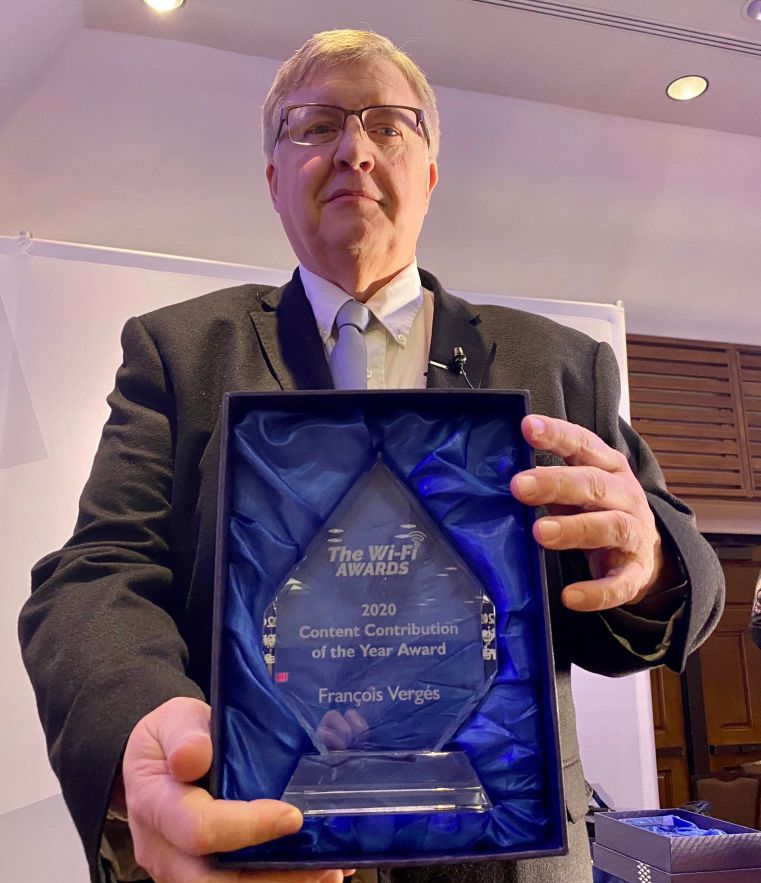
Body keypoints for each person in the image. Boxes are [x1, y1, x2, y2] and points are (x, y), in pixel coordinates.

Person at [19, 28, 724, 883]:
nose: (354, 149)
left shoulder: (560, 362)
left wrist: (648, 563)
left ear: (428, 174)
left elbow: (676, 581)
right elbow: (95, 572)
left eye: (388, 125)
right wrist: (143, 729)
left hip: (503, 856)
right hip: (258, 849)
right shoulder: (178, 352)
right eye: (316, 125)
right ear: (273, 177)